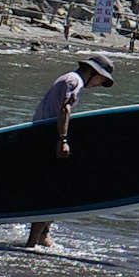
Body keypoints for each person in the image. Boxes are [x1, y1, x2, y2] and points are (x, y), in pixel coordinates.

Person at [24, 52, 117, 249]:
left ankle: (43, 235)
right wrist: (62, 140)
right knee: (54, 192)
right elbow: (65, 109)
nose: (100, 84)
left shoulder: (70, 78)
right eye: (102, 80)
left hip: (43, 135)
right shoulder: (74, 81)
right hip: (46, 138)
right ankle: (32, 243)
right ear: (94, 72)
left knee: (60, 188)